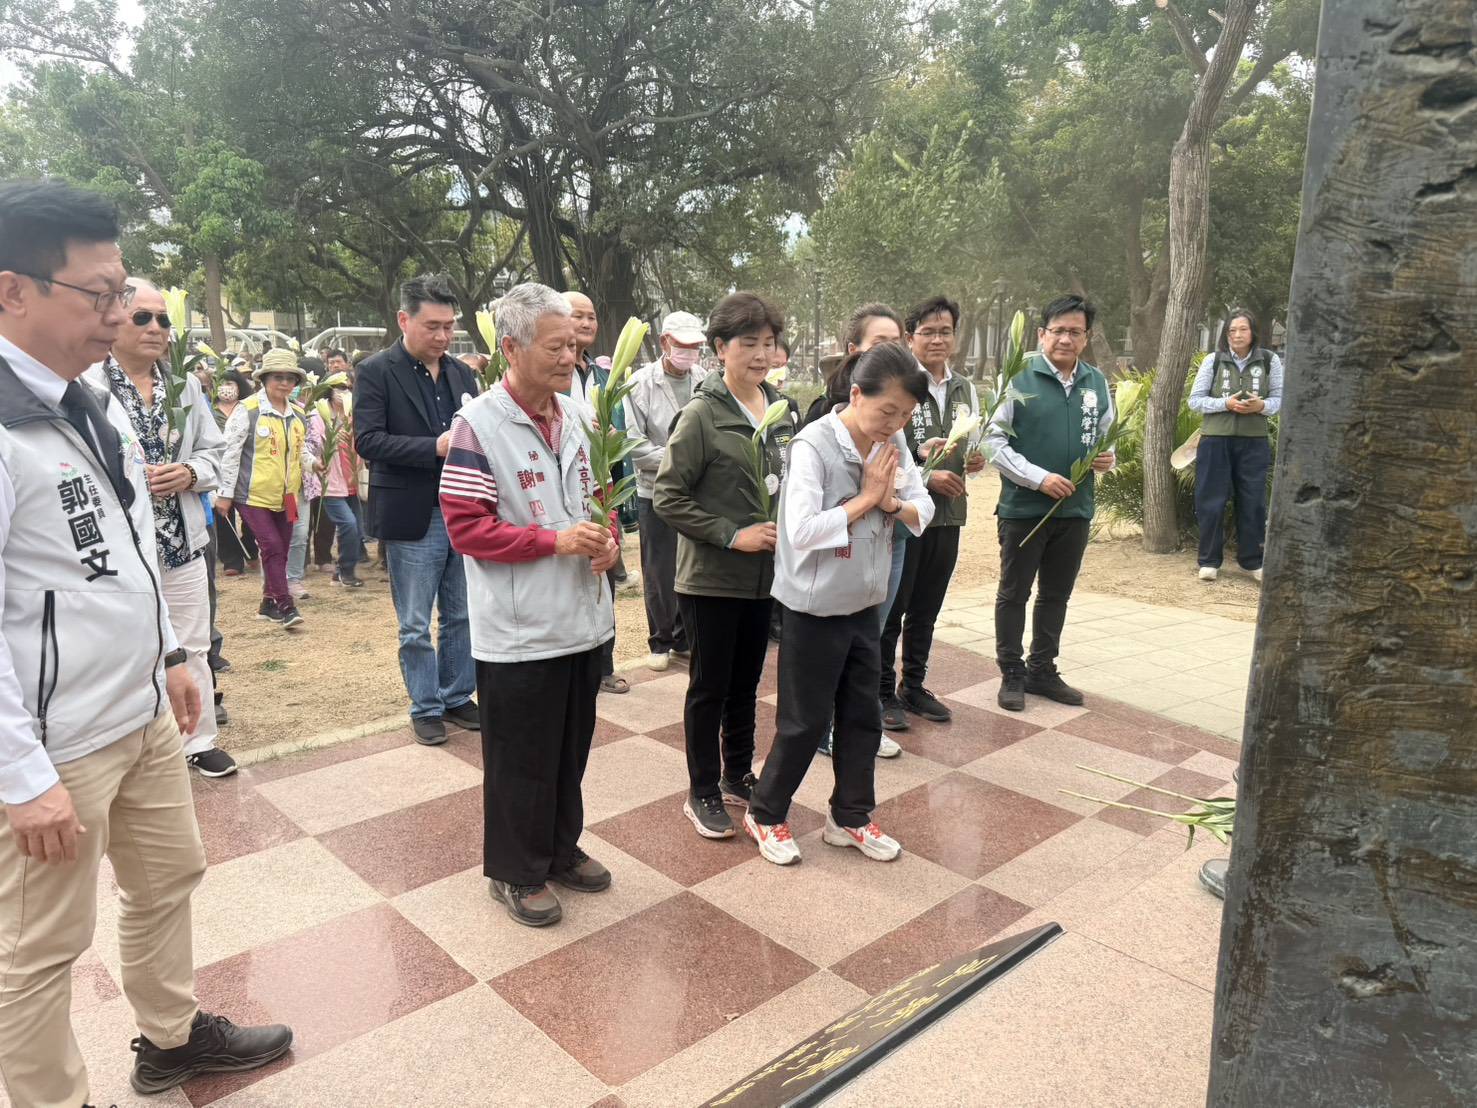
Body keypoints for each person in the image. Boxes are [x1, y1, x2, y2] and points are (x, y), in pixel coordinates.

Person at [0, 179, 291, 1106]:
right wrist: (21, 776)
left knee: (168, 877)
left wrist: (169, 652)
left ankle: (169, 1038)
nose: (121, 314)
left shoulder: (87, 399)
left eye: (122, 292)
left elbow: (127, 546)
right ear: (13, 291)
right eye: (98, 294)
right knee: (37, 949)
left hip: (137, 710)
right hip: (54, 743)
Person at [439, 283, 619, 928]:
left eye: (574, 345)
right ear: (511, 348)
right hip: (520, 629)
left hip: (582, 618)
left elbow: (603, 497)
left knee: (570, 750)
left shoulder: (581, 416)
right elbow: (467, 528)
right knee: (521, 760)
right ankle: (515, 872)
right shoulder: (478, 426)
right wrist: (555, 541)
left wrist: (608, 541)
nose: (570, 357)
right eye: (554, 347)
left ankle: (561, 849)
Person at [745, 343, 933, 865]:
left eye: (905, 415)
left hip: (865, 601)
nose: (894, 424)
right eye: (887, 410)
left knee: (863, 716)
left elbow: (923, 508)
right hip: (814, 606)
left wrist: (891, 501)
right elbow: (801, 531)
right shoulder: (813, 445)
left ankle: (849, 816)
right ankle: (765, 813)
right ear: (855, 394)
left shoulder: (892, 440)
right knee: (804, 722)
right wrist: (867, 500)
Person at [653, 292, 795, 840]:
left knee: (746, 684)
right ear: (720, 348)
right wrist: (733, 535)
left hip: (765, 579)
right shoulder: (702, 414)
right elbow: (668, 497)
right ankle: (702, 790)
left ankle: (738, 774)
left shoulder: (780, 409)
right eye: (748, 343)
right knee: (709, 687)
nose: (761, 354)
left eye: (769, 343)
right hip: (711, 579)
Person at [90, 279, 238, 778]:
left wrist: (191, 473)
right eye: (143, 317)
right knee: (127, 647)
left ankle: (198, 740)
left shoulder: (184, 385)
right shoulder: (88, 384)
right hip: (120, 548)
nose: (156, 328)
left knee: (193, 643)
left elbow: (215, 451)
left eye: (163, 319)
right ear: (114, 320)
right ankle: (134, 741)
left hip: (180, 541)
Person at [354, 274, 481, 745]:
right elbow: (369, 441)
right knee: (414, 622)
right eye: (433, 326)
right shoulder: (376, 371)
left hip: (462, 509)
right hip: (412, 514)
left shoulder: (461, 373)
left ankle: (456, 695)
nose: (444, 336)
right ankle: (425, 705)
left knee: (462, 613)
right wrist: (434, 447)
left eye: (449, 326)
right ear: (404, 320)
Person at [985, 294, 1116, 712]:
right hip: (1024, 510)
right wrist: (1038, 479)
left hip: (1075, 510)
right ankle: (1012, 672)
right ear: (1042, 334)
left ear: (1086, 338)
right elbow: (992, 441)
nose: (1065, 339)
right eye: (1058, 330)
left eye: (1074, 332)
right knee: (1014, 593)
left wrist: (1107, 458)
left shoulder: (1096, 382)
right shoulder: (1018, 376)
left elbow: (1107, 435)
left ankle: (1042, 669)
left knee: (1056, 594)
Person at [878, 296, 984, 731]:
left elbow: (974, 443)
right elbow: (884, 451)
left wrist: (976, 461)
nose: (938, 339)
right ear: (910, 338)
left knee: (927, 607)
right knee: (893, 607)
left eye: (945, 331)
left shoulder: (966, 389)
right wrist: (927, 474)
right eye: (928, 332)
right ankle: (882, 691)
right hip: (905, 516)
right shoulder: (899, 383)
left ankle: (914, 685)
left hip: (949, 514)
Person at [812, 304, 907, 761]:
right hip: (838, 554)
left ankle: (860, 723)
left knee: (874, 639)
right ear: (854, 351)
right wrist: (869, 498)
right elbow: (808, 520)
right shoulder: (824, 420)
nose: (891, 353)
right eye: (880, 344)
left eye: (897, 344)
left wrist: (896, 498)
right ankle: (825, 726)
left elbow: (907, 487)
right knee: (834, 649)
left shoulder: (896, 421)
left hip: (886, 544)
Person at [623, 310, 708, 671]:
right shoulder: (640, 384)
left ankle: (685, 637)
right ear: (664, 342)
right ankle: (661, 639)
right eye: (682, 345)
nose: (689, 352)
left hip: (698, 490)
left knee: (694, 564)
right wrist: (680, 459)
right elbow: (634, 444)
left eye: (695, 346)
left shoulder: (705, 380)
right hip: (655, 490)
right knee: (659, 569)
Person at [561, 290, 630, 693]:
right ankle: (575, 665)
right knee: (570, 575)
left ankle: (604, 663)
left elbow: (620, 428)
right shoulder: (554, 372)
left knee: (605, 572)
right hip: (564, 489)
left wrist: (612, 437)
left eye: (591, 316)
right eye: (577, 315)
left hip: (601, 486)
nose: (586, 323)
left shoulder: (604, 376)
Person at [217, 348, 313, 630]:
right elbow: (229, 453)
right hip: (252, 495)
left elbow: (300, 450)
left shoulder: (298, 412)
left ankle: (268, 603)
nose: (284, 383)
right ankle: (286, 606)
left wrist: (314, 464)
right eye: (277, 377)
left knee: (282, 548)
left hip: (287, 495)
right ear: (264, 379)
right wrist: (224, 494)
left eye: (289, 378)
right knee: (271, 546)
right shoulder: (247, 410)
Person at [1188, 309, 1283, 583]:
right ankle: (1209, 561)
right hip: (1215, 441)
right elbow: (1195, 400)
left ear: (1253, 332)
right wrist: (1225, 404)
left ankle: (1252, 561)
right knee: (1211, 500)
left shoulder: (1269, 360)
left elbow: (1279, 400)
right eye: (1232, 330)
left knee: (1253, 501)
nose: (1237, 335)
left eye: (1243, 329)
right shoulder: (1214, 360)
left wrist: (1261, 406)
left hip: (1254, 442)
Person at [307, 380, 365, 587]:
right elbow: (311, 447)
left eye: (348, 388)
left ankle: (342, 572)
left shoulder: (354, 415)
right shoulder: (317, 416)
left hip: (351, 481)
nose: (344, 393)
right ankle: (346, 571)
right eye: (339, 388)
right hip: (330, 482)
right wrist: (331, 434)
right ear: (329, 392)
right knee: (348, 524)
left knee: (357, 530)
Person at [211, 368, 258, 577]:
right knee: (223, 515)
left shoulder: (248, 409)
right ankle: (232, 560)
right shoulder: (210, 412)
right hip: (219, 468)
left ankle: (251, 549)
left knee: (251, 515)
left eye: (230, 384)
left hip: (247, 468)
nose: (226, 388)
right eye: (222, 384)